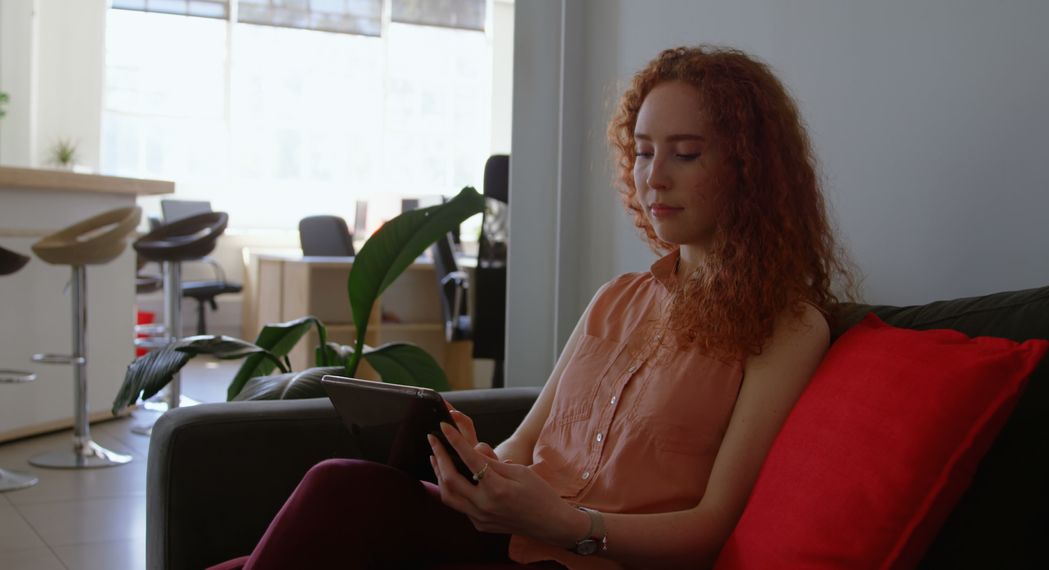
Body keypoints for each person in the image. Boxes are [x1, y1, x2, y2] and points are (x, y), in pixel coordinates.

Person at [209, 45, 856, 570]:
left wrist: (570, 525)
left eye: (685, 154)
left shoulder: (786, 328)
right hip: (507, 535)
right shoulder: (617, 299)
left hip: (582, 558)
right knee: (341, 488)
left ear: (751, 167)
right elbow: (524, 442)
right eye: (643, 151)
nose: (655, 176)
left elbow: (712, 527)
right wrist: (475, 466)